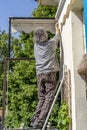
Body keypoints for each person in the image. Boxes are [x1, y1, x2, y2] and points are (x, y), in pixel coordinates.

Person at [30, 23, 61, 129]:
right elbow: (57, 37)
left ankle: (35, 119)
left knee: (41, 97)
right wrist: (57, 28)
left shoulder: (36, 46)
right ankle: (39, 122)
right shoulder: (51, 44)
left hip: (39, 74)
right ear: (45, 36)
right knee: (49, 97)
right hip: (49, 73)